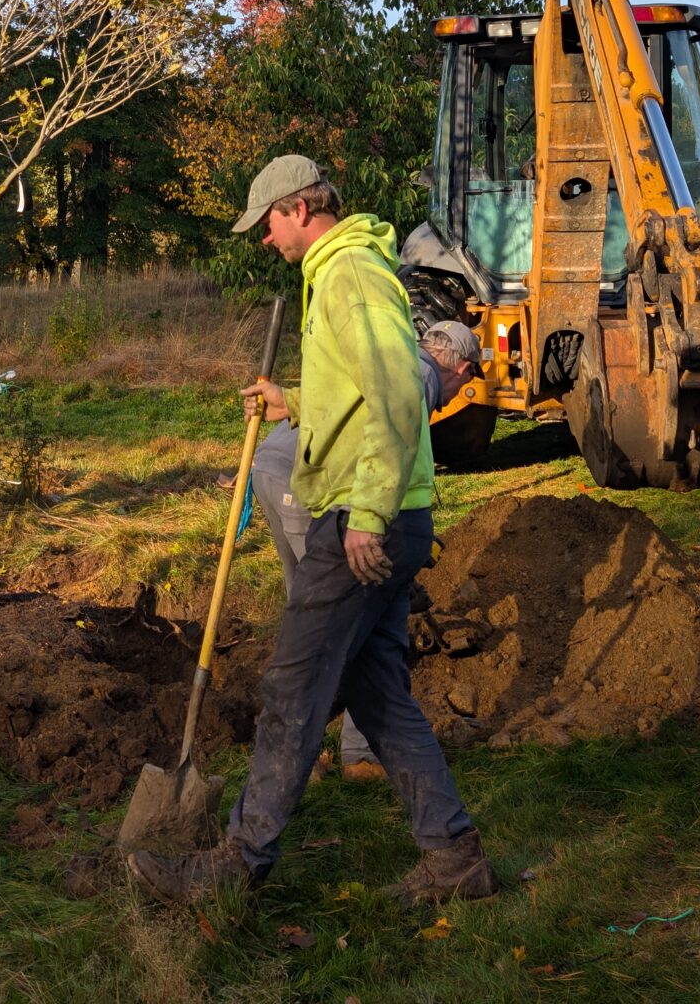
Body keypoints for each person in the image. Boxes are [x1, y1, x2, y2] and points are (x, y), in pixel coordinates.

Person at [130, 155, 491, 909]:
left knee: (291, 690)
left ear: (299, 208)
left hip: (365, 521)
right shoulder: (338, 272)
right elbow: (356, 393)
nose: (265, 240)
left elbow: (399, 394)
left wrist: (367, 517)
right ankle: (455, 856)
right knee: (380, 697)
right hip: (385, 516)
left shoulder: (350, 273)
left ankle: (238, 865)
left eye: (267, 224)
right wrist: (294, 402)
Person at [251, 316, 481, 781]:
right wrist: (382, 531)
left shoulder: (391, 358)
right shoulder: (420, 378)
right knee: (345, 625)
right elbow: (381, 454)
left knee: (308, 616)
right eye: (467, 385)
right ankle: (348, 756)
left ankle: (294, 754)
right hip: (308, 484)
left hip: (271, 467)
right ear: (463, 370)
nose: (459, 397)